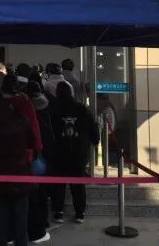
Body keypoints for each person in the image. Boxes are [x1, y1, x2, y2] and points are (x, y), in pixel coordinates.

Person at [0, 90, 35, 246]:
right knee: (21, 218)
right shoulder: (20, 120)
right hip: (20, 173)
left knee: (0, 218)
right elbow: (31, 142)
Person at [50, 81, 99, 224]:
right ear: (71, 93)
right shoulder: (82, 109)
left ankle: (58, 212)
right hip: (79, 153)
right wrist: (94, 140)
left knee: (58, 185)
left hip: (58, 153)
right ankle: (79, 213)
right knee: (78, 185)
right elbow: (93, 129)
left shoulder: (53, 110)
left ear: (57, 93)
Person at [26, 81, 53, 243]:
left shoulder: (24, 108)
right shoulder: (47, 106)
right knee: (41, 192)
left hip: (29, 155)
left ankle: (28, 224)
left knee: (30, 193)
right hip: (43, 154)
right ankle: (43, 221)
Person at [1, 75, 43, 156]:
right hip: (23, 149)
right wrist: (37, 146)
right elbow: (33, 124)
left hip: (1, 150)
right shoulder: (24, 101)